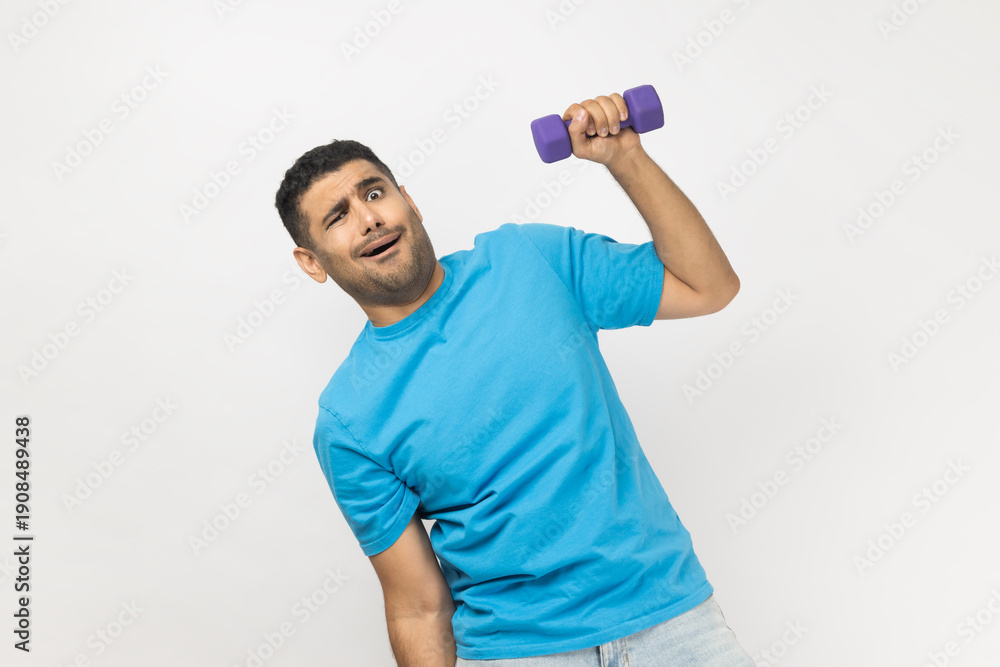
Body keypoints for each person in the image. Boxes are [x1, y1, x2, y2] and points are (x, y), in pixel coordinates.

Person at [274, 90, 754, 666]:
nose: (369, 218)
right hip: (517, 650)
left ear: (409, 201)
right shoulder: (348, 420)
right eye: (338, 216)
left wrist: (627, 157)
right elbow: (418, 606)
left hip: (670, 620)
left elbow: (710, 288)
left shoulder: (530, 259)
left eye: (374, 193)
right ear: (312, 261)